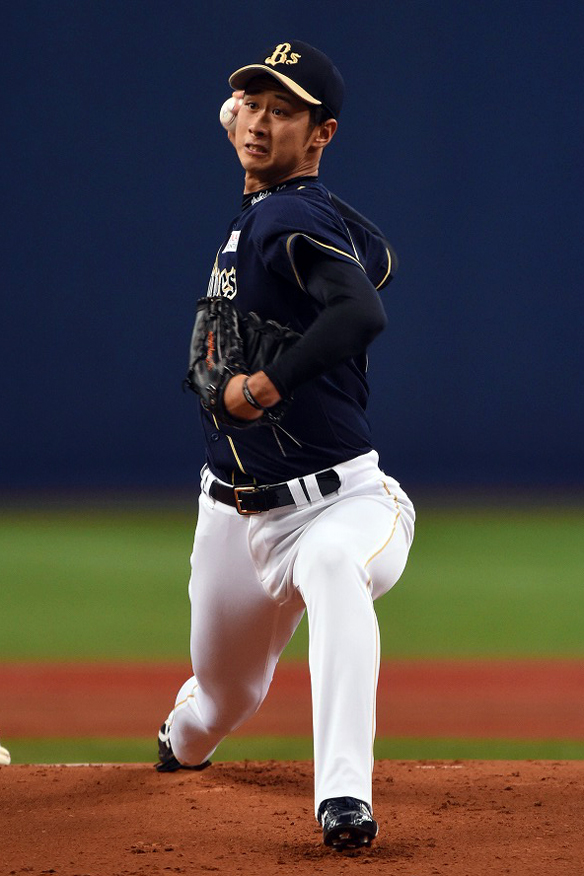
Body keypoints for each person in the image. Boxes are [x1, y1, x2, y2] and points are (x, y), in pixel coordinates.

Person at [156, 40, 415, 851]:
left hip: (343, 502)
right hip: (234, 516)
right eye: (253, 106)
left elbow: (362, 310)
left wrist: (268, 384)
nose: (261, 122)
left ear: (323, 132)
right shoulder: (279, 209)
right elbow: (378, 259)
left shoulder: (288, 215)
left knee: (334, 566)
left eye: (285, 111)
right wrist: (260, 142)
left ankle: (344, 796)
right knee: (218, 705)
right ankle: (182, 736)